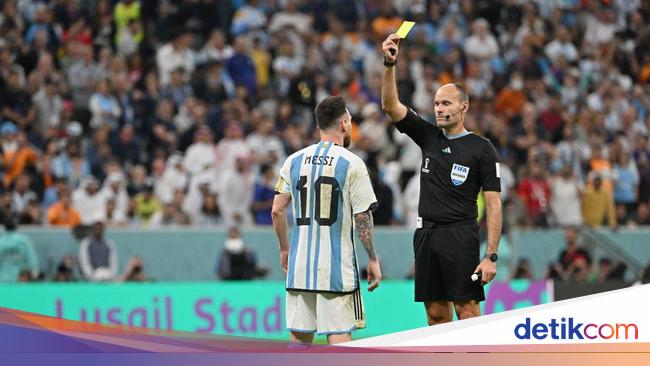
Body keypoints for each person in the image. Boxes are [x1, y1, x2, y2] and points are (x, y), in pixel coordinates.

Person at [380, 34, 502, 325]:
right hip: (426, 236)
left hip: (460, 236)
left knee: (468, 312)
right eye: (436, 103)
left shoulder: (481, 148)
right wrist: (389, 64)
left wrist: (491, 256)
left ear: (464, 107)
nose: (439, 109)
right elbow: (390, 106)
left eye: (446, 103)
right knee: (435, 316)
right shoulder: (428, 136)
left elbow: (494, 205)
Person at [271, 96, 382, 345]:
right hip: (335, 268)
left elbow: (277, 210)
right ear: (344, 123)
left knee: (299, 335)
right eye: (350, 121)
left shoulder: (293, 161)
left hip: (300, 266)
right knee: (340, 333)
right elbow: (362, 216)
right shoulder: (352, 163)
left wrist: (284, 249)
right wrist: (372, 258)